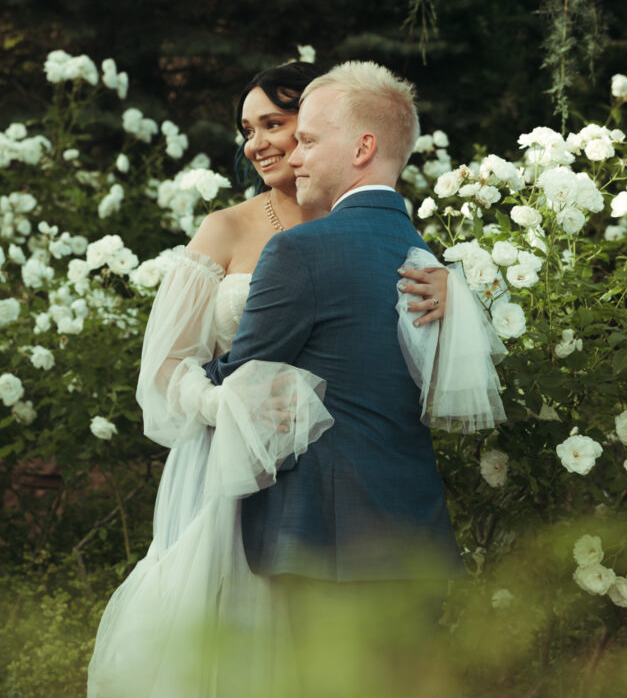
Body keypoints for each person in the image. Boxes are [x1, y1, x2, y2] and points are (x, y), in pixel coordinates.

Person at [86, 62, 456, 698]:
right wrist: (223, 401)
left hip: (335, 501)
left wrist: (456, 292)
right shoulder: (227, 228)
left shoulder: (379, 231)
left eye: (278, 126)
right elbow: (165, 367)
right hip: (238, 474)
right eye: (247, 130)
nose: (258, 143)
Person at [201, 60, 504, 691]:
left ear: (363, 148)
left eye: (309, 140)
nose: (294, 155)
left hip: (326, 542)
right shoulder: (430, 261)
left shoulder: (299, 250)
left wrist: (186, 370)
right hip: (416, 540)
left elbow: (240, 379)